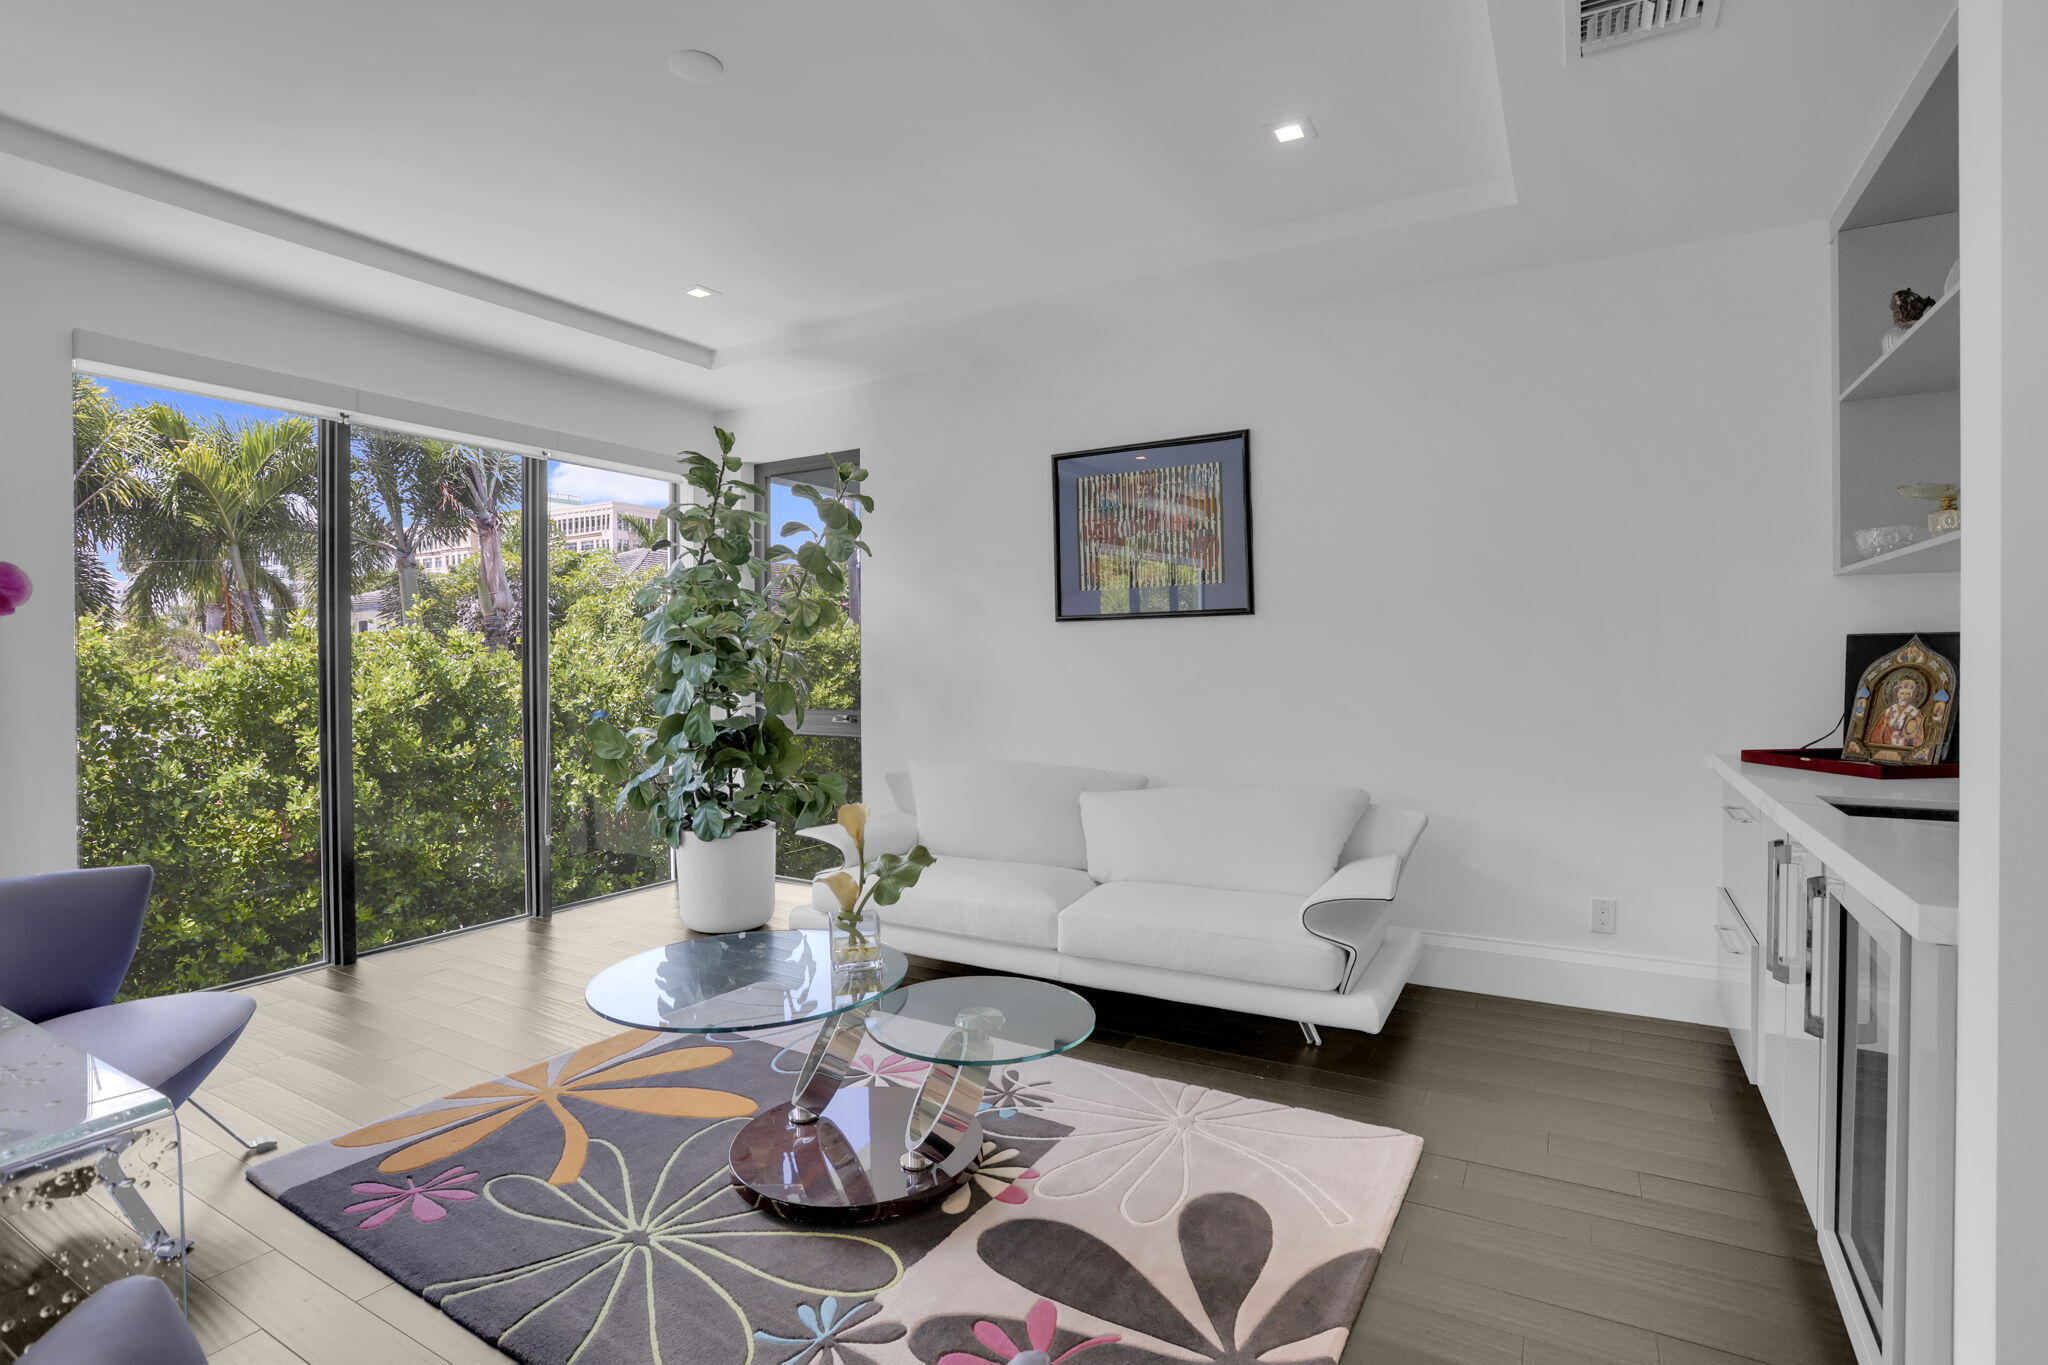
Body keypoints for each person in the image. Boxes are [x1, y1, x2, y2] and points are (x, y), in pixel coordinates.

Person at [1869, 673, 1927, 749]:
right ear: (1898, 694)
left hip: (1904, 750)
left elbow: (1918, 738)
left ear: (1911, 696)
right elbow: (1878, 732)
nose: (1904, 697)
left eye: (1907, 694)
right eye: (1902, 693)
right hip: (1885, 748)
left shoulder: (1915, 713)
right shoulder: (1889, 711)